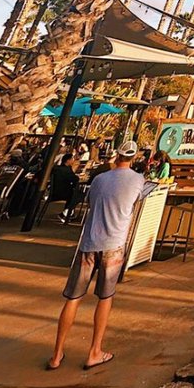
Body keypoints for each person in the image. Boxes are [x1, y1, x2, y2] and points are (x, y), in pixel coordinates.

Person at [47, 141, 155, 371]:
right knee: (105, 298)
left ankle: (56, 355)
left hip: (89, 243)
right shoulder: (137, 180)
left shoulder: (99, 179)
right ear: (134, 158)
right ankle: (94, 351)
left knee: (73, 298)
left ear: (117, 156)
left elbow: (91, 202)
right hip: (114, 245)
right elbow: (138, 199)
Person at [49, 153, 81, 224]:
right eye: (72, 159)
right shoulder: (66, 170)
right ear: (68, 160)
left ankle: (69, 213)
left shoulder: (58, 168)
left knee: (74, 194)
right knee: (77, 196)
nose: (73, 160)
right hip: (61, 192)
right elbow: (74, 179)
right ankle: (65, 214)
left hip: (56, 190)